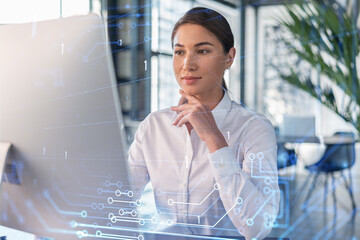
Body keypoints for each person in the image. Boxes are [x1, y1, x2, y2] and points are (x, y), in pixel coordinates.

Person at [128, 7, 280, 240]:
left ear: (229, 57)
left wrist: (214, 139)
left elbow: (257, 227)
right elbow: (122, 198)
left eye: (202, 50)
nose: (187, 64)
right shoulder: (153, 126)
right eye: (180, 52)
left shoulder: (254, 128)